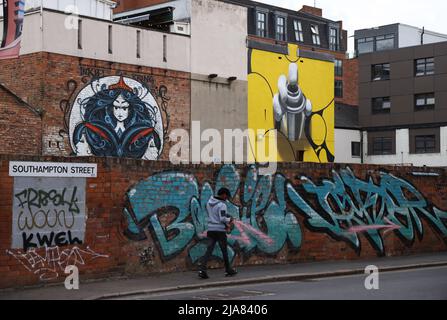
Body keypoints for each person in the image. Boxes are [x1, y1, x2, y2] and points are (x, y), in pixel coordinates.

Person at [198, 188, 238, 279]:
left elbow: (214, 216)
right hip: (220, 231)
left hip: (211, 230)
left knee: (209, 251)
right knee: (224, 251)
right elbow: (222, 218)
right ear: (223, 194)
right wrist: (230, 220)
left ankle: (202, 270)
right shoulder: (222, 205)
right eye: (227, 196)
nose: (227, 198)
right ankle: (228, 270)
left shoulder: (209, 203)